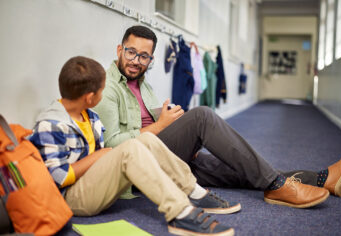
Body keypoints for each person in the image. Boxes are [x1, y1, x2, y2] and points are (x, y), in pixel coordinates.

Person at [94, 25, 341, 208]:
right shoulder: (107, 88)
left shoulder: (141, 82)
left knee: (240, 168)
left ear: (150, 59)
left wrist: (177, 128)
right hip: (138, 171)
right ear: (119, 49)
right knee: (203, 116)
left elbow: (148, 121)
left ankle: (320, 179)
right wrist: (163, 125)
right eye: (131, 52)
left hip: (165, 155)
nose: (136, 61)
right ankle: (276, 185)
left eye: (144, 56)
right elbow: (112, 147)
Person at [29, 56, 240, 236]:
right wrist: (99, 156)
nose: (103, 95)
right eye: (102, 91)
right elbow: (59, 177)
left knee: (146, 140)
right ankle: (180, 213)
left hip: (94, 184)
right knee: (130, 148)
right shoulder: (51, 124)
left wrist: (104, 157)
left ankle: (193, 192)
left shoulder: (90, 116)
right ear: (90, 97)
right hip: (72, 199)